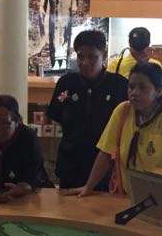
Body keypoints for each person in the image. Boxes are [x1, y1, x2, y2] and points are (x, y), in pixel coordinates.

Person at [68, 62, 162, 197]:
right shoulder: (123, 111)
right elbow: (106, 153)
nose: (135, 93)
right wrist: (89, 186)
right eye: (131, 87)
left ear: (159, 91)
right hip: (126, 195)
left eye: (143, 87)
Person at [47, 30, 128, 190]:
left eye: (92, 57)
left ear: (104, 55)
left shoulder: (119, 85)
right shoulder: (67, 83)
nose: (85, 62)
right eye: (80, 56)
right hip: (71, 163)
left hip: (105, 165)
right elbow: (56, 114)